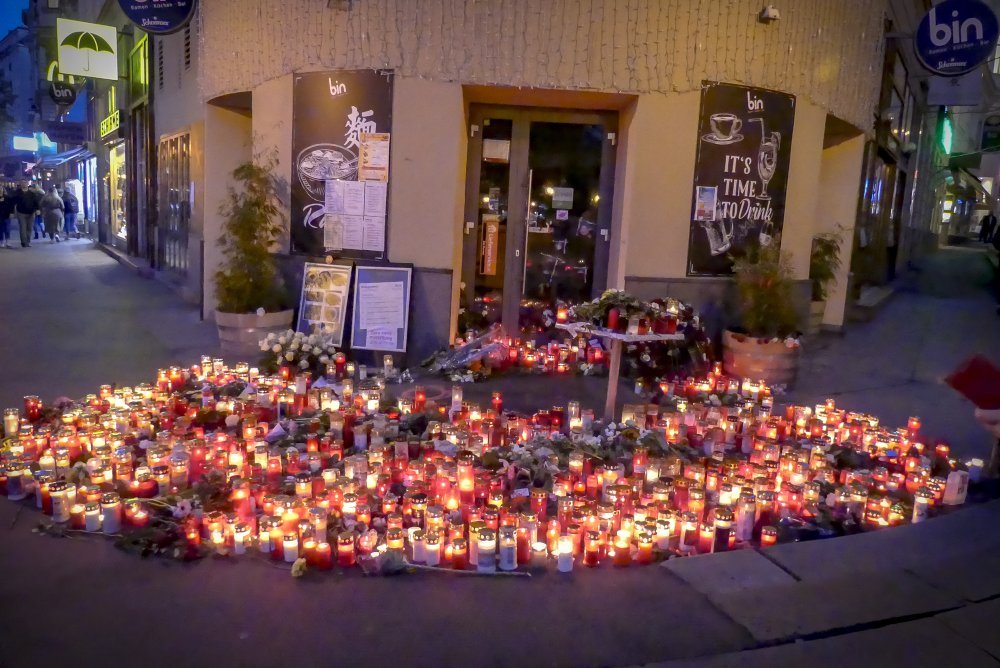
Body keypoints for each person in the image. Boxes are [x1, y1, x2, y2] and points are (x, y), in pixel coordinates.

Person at [13, 180, 39, 247]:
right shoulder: (17, 193)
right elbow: (13, 201)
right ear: (20, 184)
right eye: (22, 183)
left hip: (31, 213)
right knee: (23, 228)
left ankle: (28, 241)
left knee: (29, 228)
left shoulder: (32, 193)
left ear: (27, 184)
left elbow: (36, 202)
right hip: (21, 213)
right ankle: (24, 242)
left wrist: (38, 209)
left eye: (25, 183)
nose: (24, 184)